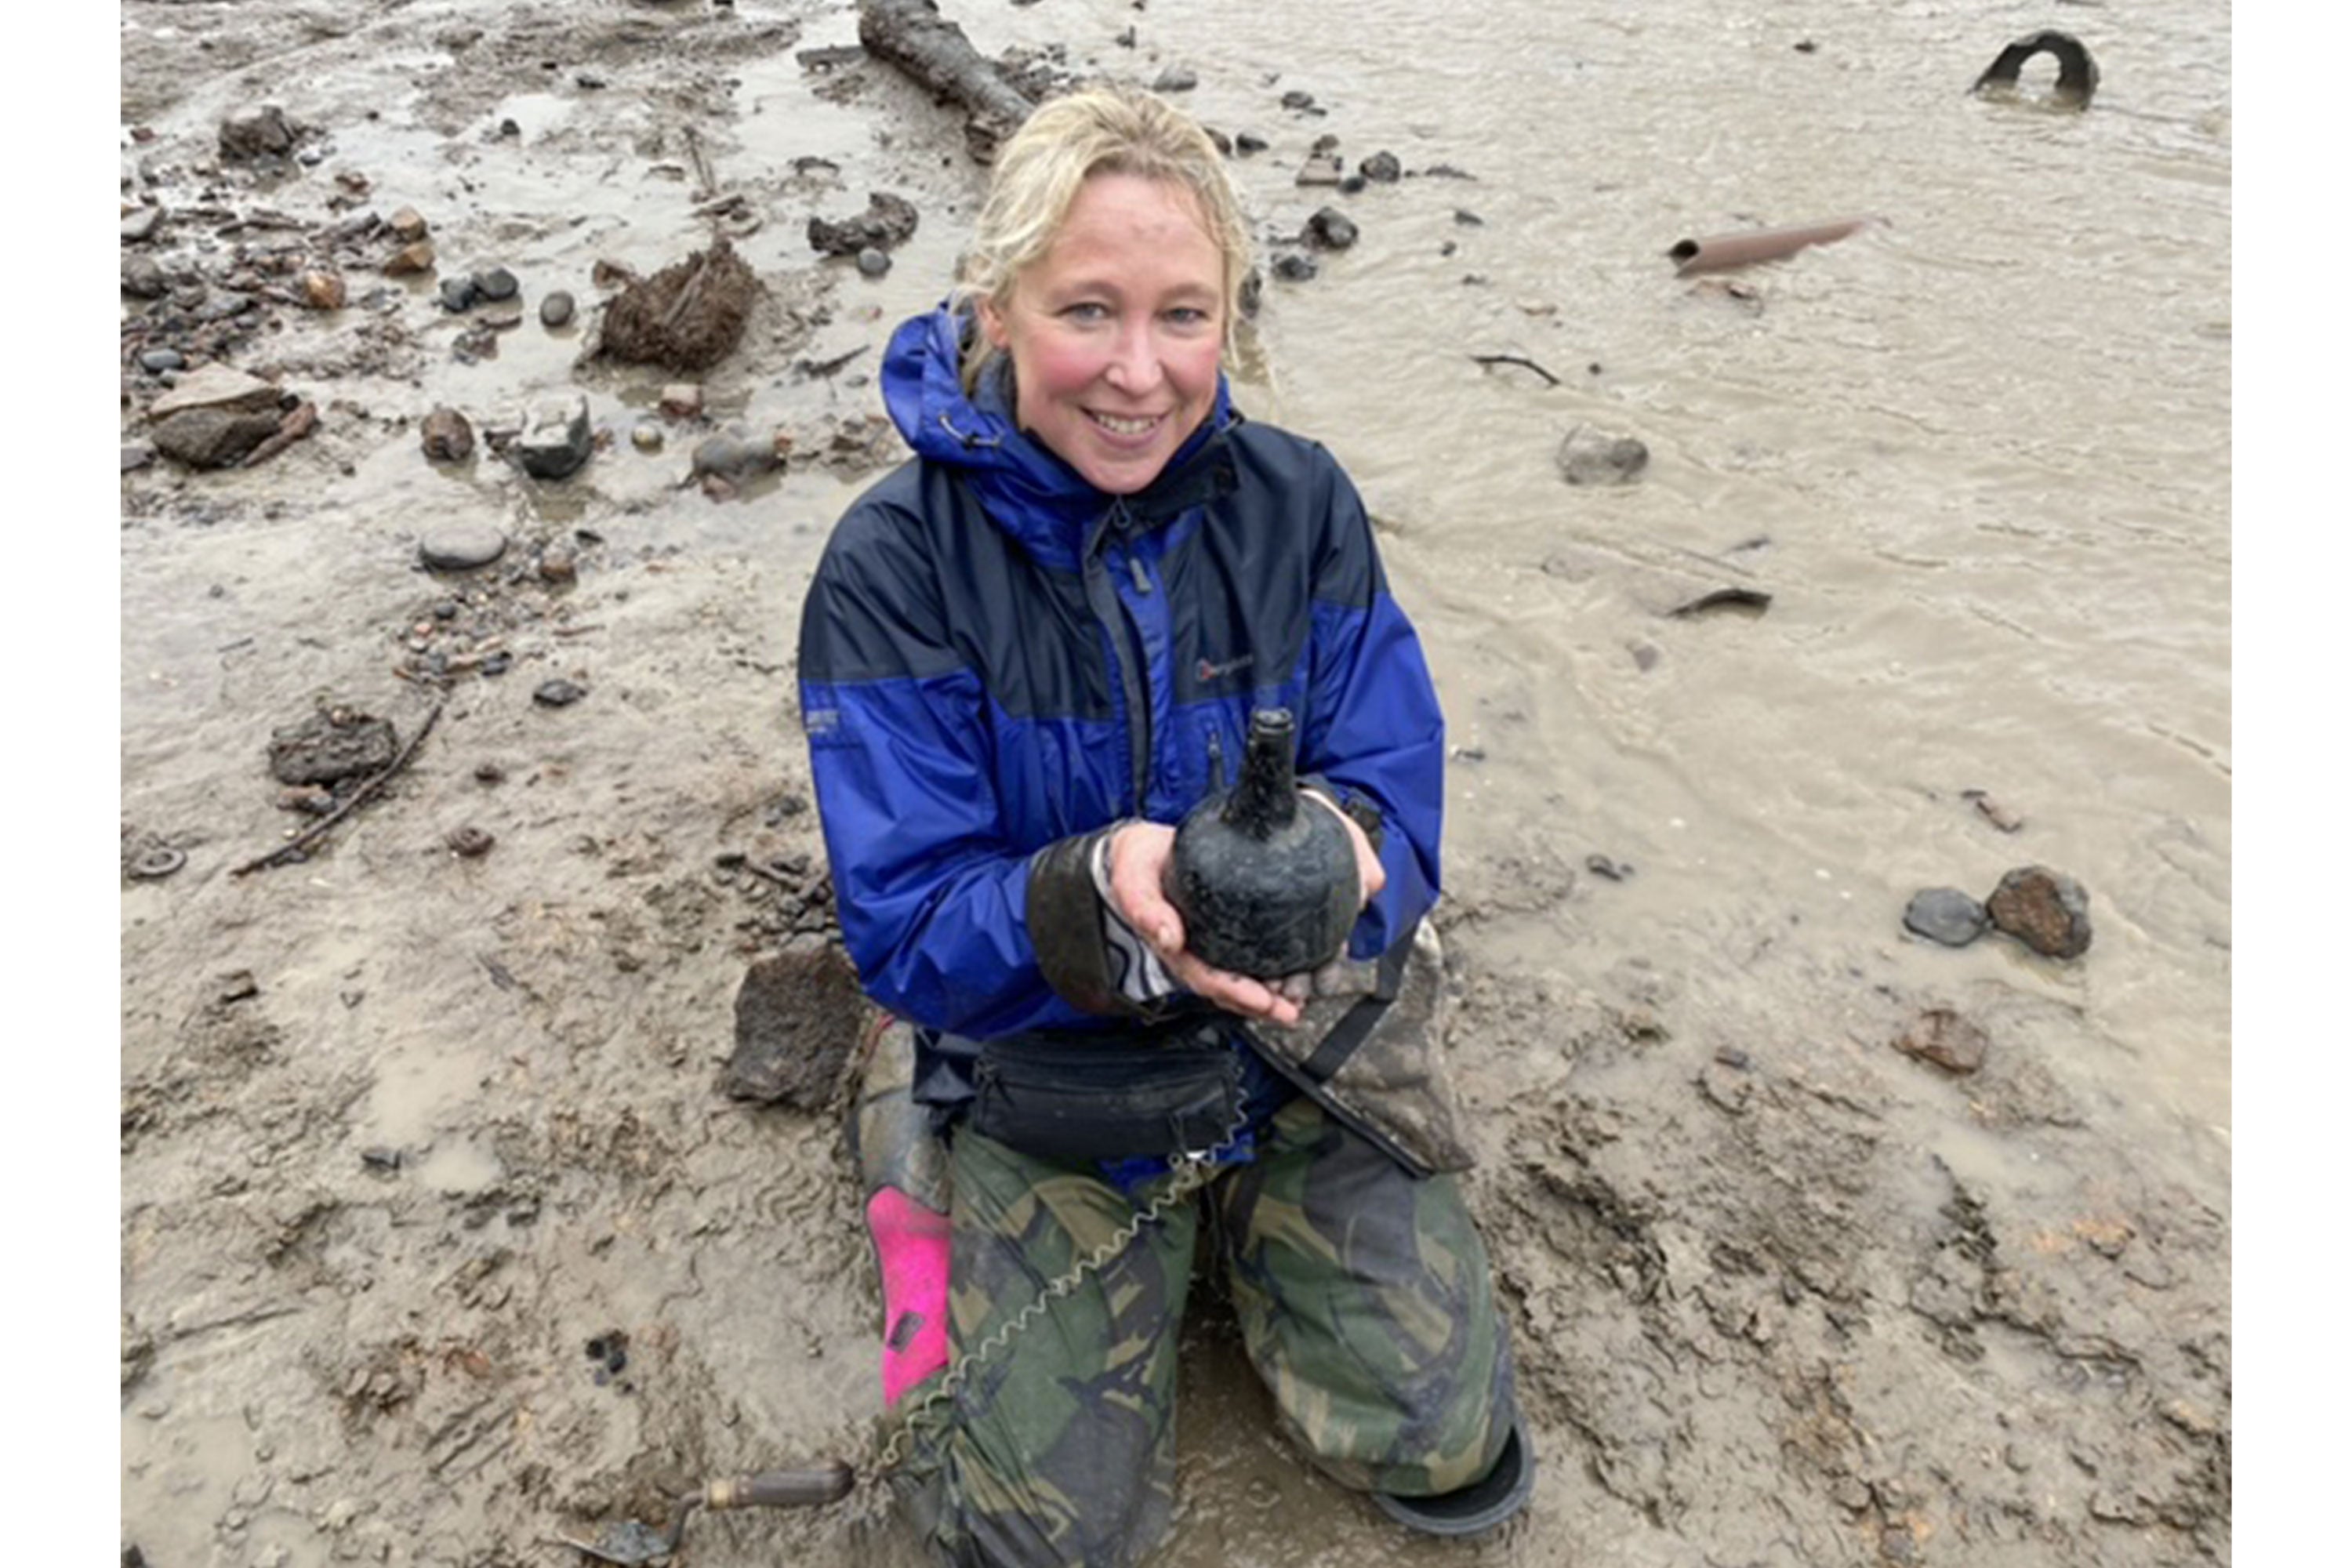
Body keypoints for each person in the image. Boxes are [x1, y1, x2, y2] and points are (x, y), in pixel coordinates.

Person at [797, 84, 1527, 1567]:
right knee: (1029, 1535)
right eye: (1089, 311)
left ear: (1230, 321)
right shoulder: (891, 565)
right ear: (998, 307)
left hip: (1286, 1034)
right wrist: (1100, 899)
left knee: (1446, 1448)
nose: (1140, 374)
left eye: (1183, 316)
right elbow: (908, 918)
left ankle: (1252, 1224)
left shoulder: (1300, 504)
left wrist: (1348, 850)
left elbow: (1394, 776)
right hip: (1043, 1053)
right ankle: (904, 1127)